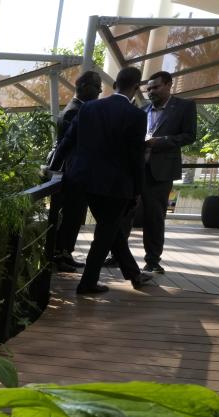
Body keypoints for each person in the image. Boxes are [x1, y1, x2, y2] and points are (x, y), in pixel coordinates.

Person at [51, 67, 153, 295]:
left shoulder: (89, 107)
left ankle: (134, 274)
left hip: (85, 182)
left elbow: (67, 141)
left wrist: (53, 168)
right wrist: (138, 189)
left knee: (111, 229)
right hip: (117, 187)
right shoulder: (137, 115)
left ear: (115, 83)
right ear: (136, 88)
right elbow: (136, 157)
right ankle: (87, 283)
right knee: (106, 233)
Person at [138, 70, 197, 273]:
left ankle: (153, 261)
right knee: (123, 214)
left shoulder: (184, 107)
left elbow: (189, 136)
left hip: (160, 172)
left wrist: (160, 141)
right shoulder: (142, 110)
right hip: (136, 170)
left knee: (154, 217)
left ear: (169, 84)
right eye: (148, 88)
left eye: (155, 87)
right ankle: (116, 255)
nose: (151, 91)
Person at [50, 70, 103, 272]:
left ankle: (65, 252)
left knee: (73, 216)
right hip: (73, 174)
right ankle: (60, 254)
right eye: (97, 87)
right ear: (83, 87)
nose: (99, 91)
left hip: (74, 173)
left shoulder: (76, 109)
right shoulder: (75, 112)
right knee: (71, 216)